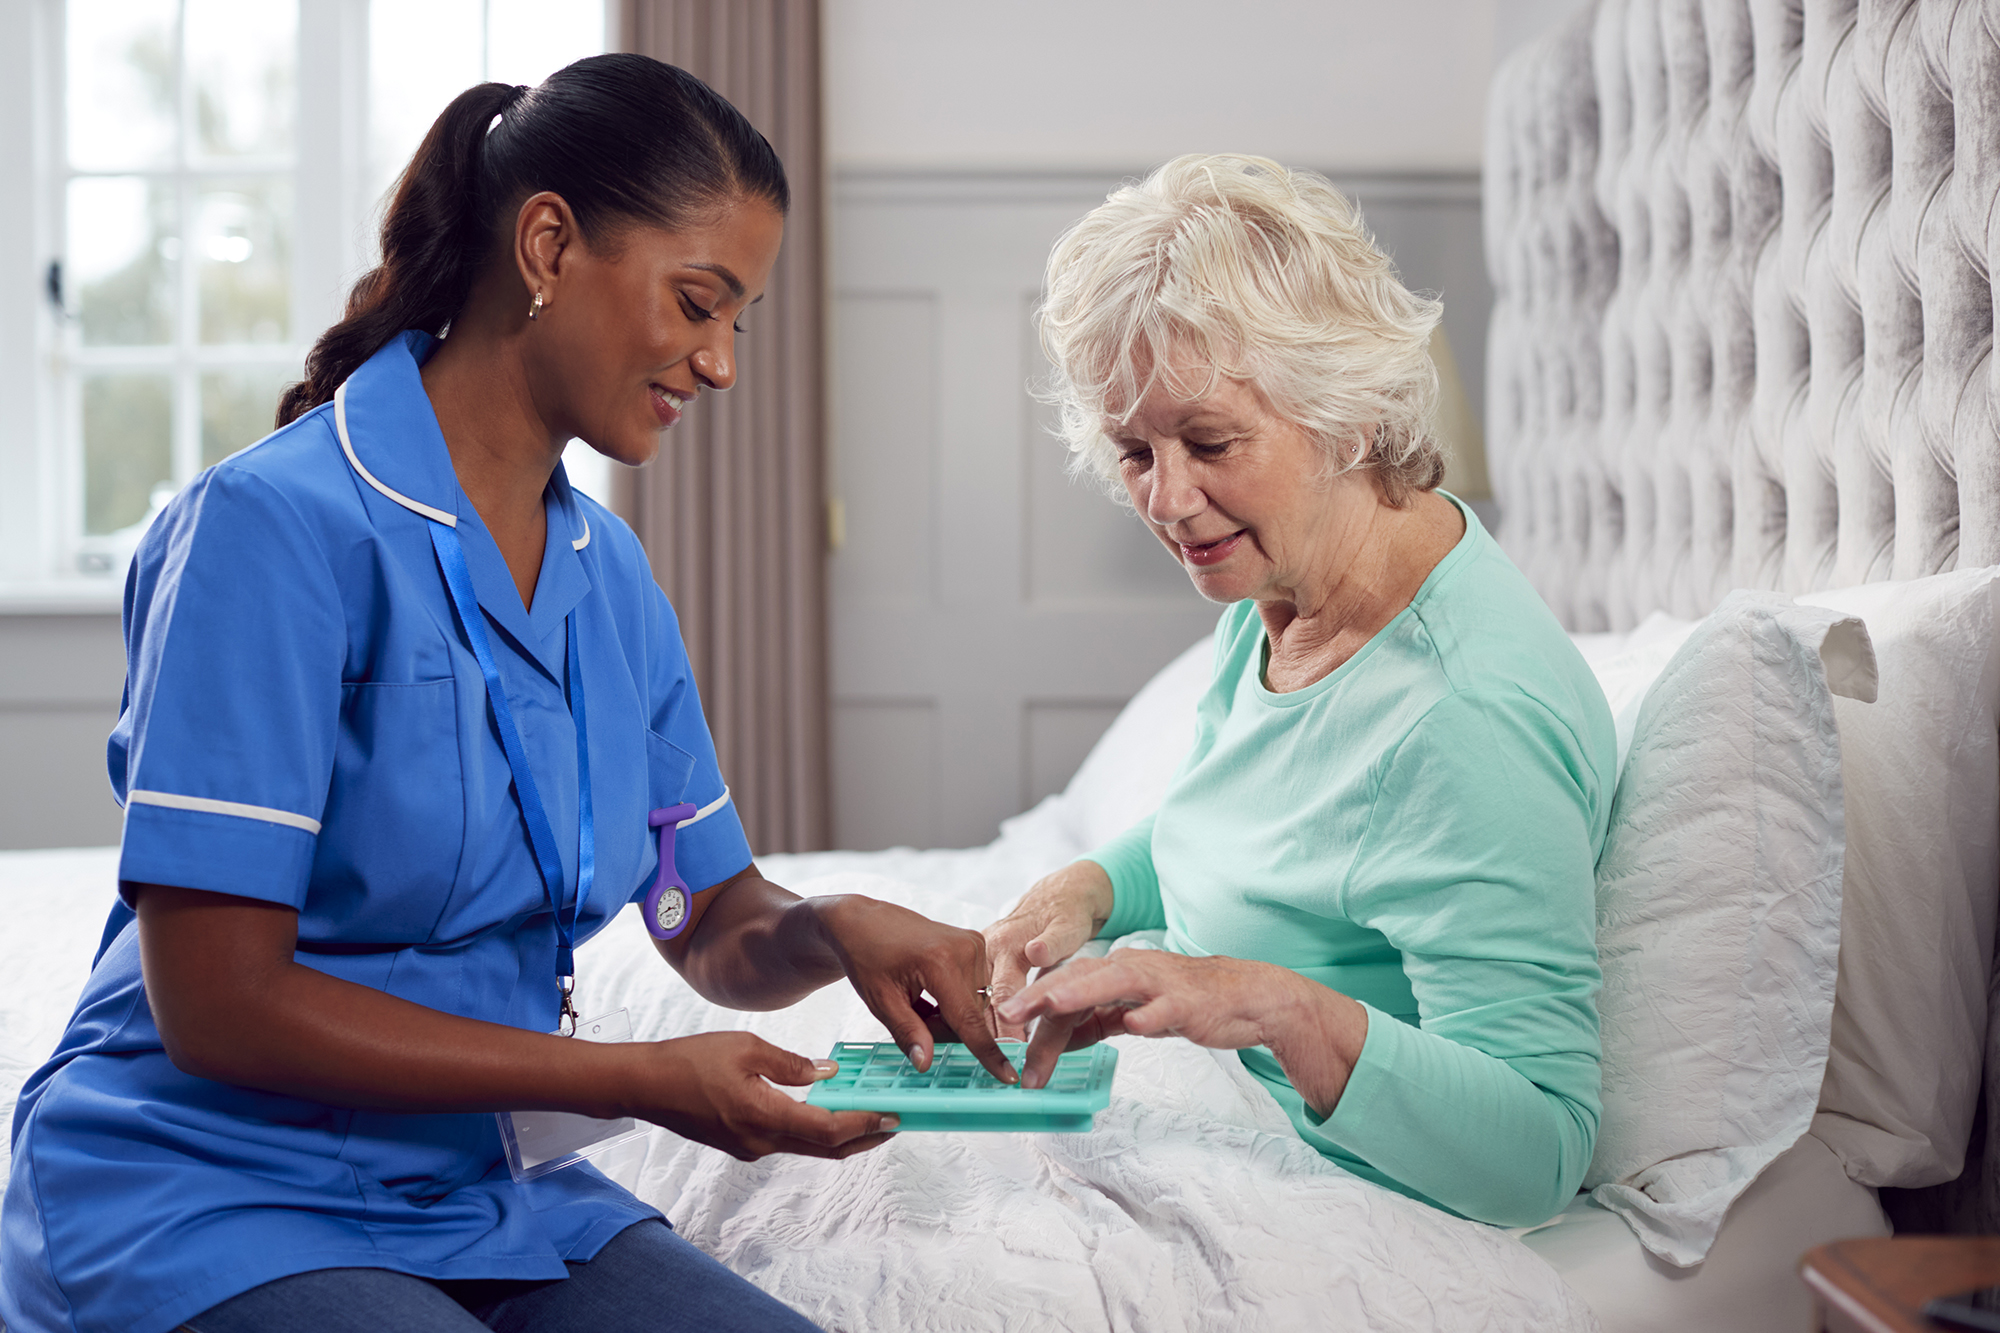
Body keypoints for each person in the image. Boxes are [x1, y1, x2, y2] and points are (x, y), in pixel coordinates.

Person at [0, 56, 1011, 1333]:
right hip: (207, 1194)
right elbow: (215, 1003)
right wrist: (633, 1078)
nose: (720, 365)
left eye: (736, 323)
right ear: (547, 243)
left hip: (478, 1188)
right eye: (697, 304)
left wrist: (827, 925)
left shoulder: (612, 576)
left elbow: (698, 916)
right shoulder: (270, 528)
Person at [983, 155, 1614, 1230]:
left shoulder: (1461, 719)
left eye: (1210, 443)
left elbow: (1537, 1150)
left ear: (1349, 413)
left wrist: (1264, 1002)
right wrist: (1087, 888)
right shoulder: (1288, 578)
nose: (1169, 500)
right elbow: (1249, 829)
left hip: (1334, 1187)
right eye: (1134, 451)